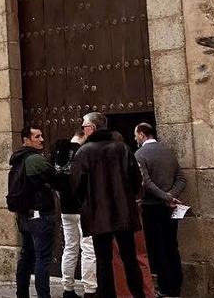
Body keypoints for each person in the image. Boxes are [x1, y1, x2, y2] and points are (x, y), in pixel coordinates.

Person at [70, 113, 145, 298]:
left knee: (103, 260)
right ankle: (138, 295)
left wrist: (87, 203)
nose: (83, 129)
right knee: (130, 259)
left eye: (84, 126)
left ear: (93, 128)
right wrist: (126, 198)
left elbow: (76, 185)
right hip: (124, 212)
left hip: (97, 214)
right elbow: (136, 180)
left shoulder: (84, 152)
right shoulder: (123, 149)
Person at [134, 123, 185, 298]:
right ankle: (175, 286)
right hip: (170, 207)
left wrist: (165, 197)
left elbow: (145, 182)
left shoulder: (140, 154)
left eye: (136, 135)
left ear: (141, 134)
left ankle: (164, 288)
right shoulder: (168, 151)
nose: (135, 139)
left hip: (152, 207)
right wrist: (171, 196)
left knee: (157, 247)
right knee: (172, 245)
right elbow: (181, 179)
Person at [8, 127, 56, 298]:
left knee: (26, 256)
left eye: (42, 135)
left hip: (24, 216)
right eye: (37, 136)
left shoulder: (17, 159)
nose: (41, 139)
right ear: (26, 140)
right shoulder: (35, 160)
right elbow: (56, 179)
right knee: (42, 259)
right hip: (40, 216)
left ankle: (22, 293)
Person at [52, 136, 96, 298]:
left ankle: (68, 288)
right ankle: (90, 289)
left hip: (66, 208)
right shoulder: (82, 152)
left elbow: (55, 183)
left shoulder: (59, 152)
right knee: (88, 248)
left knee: (70, 248)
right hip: (82, 208)